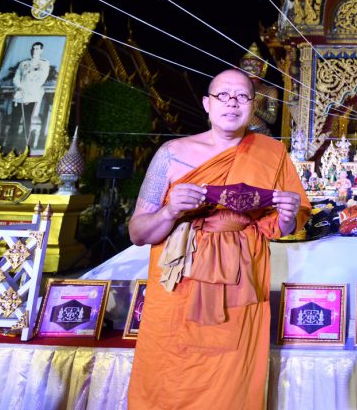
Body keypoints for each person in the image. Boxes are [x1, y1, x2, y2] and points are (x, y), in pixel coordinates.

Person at [127, 68, 310, 410]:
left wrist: (287, 214)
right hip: (178, 291)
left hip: (240, 289)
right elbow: (138, 233)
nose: (233, 103)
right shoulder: (171, 153)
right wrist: (169, 212)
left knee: (232, 385)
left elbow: (284, 227)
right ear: (207, 104)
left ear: (253, 106)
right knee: (170, 379)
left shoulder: (272, 154)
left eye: (242, 96)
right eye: (223, 96)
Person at [5, 41, 50, 153]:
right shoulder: (23, 64)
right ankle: (9, 147)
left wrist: (28, 92)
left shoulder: (44, 64)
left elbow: (41, 80)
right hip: (19, 96)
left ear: (41, 51)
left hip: (31, 97)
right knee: (14, 122)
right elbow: (16, 77)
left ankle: (22, 147)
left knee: (26, 122)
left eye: (37, 49)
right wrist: (20, 87)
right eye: (33, 48)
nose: (35, 51)